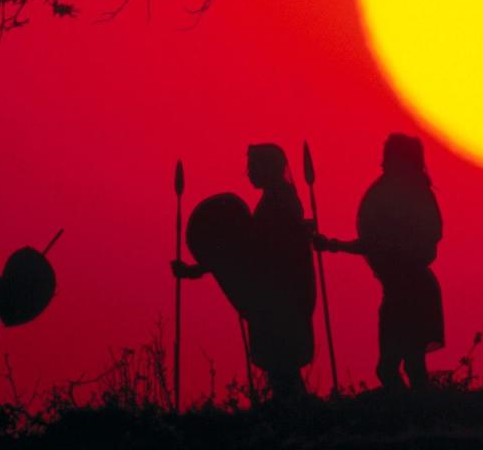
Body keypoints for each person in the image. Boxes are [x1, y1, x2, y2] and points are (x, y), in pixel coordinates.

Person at [173, 144, 316, 401]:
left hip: (279, 300)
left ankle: (294, 418)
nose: (249, 173)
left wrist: (202, 267)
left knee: (282, 369)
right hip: (281, 297)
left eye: (253, 167)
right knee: (283, 372)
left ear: (269, 168)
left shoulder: (278, 203)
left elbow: (257, 249)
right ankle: (295, 414)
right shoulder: (279, 199)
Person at [316, 134, 443, 390]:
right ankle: (415, 414)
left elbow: (379, 243)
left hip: (411, 290)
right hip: (401, 290)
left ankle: (415, 416)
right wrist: (334, 245)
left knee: (402, 366)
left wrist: (335, 245)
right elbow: (375, 242)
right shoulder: (398, 193)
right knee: (401, 366)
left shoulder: (412, 195)